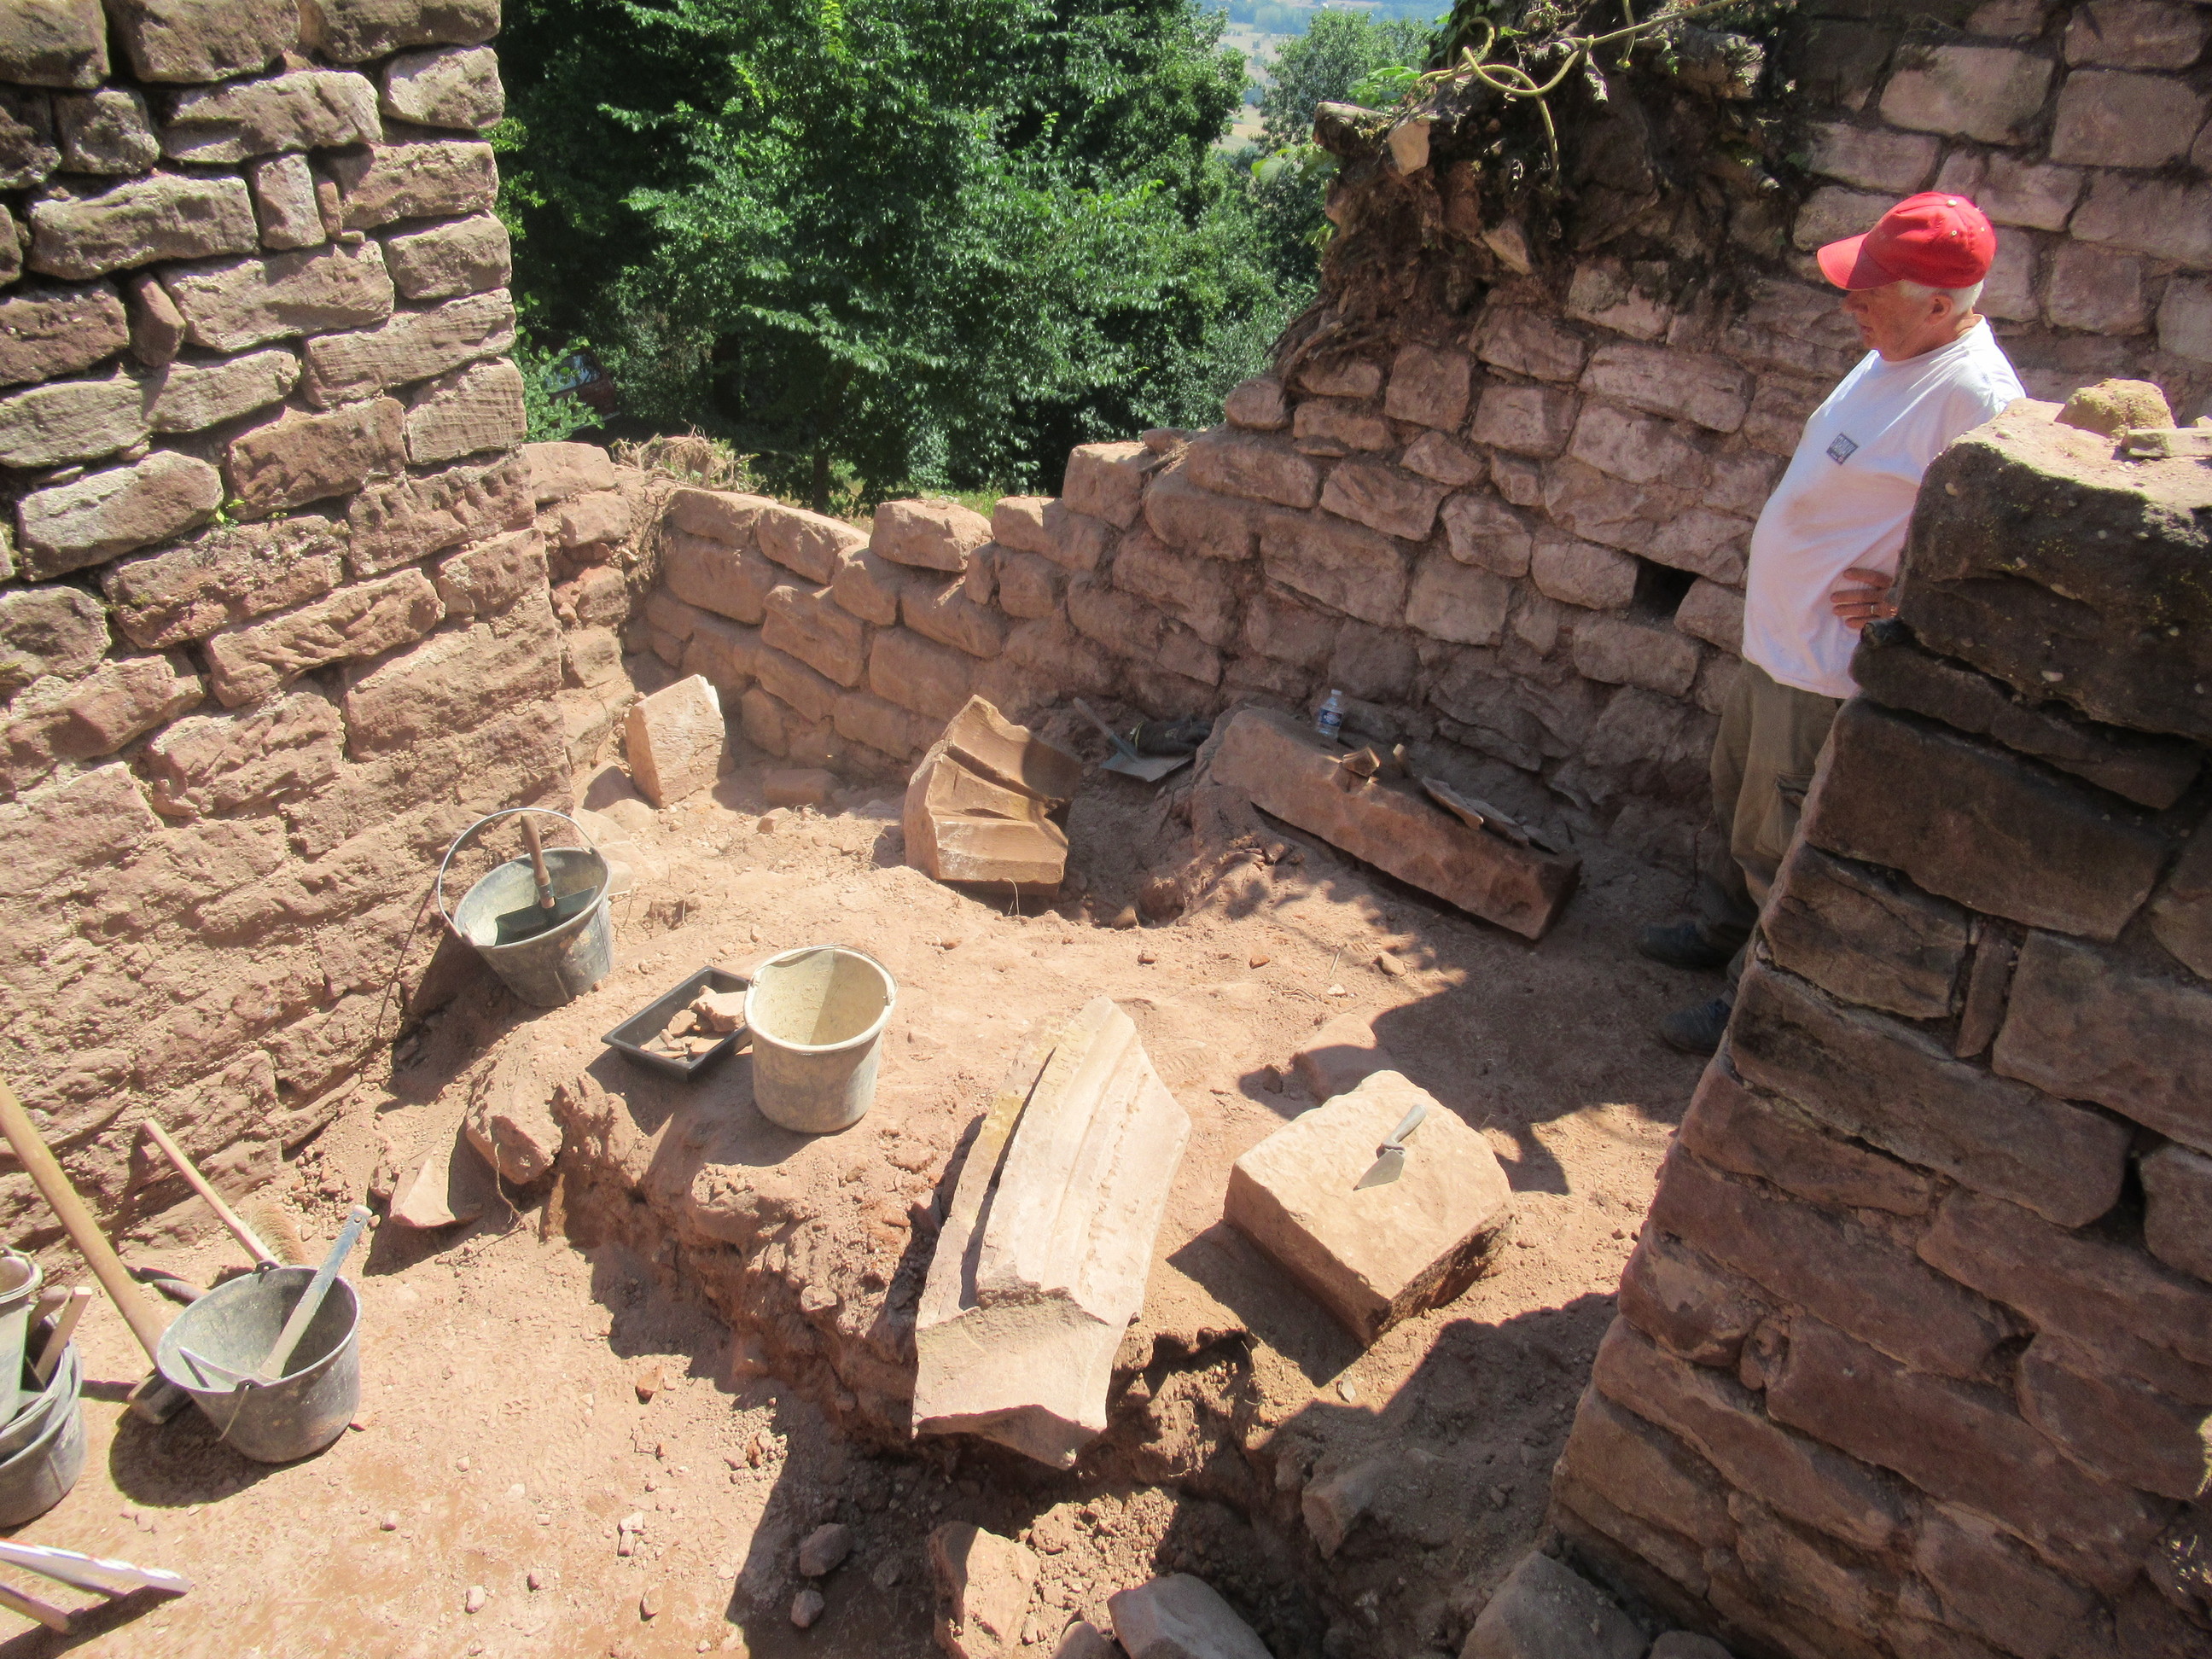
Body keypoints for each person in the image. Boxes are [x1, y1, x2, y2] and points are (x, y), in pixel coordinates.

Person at [1640, 193, 2025, 1054]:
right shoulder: (1897, 351)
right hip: (1777, 642)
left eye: (1872, 291)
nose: (1852, 302)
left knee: (1779, 839)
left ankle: (1749, 997)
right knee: (1739, 801)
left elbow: (1996, 552)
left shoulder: (1976, 398)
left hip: (1822, 666)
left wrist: (1910, 600)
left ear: (1939, 305)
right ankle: (1719, 933)